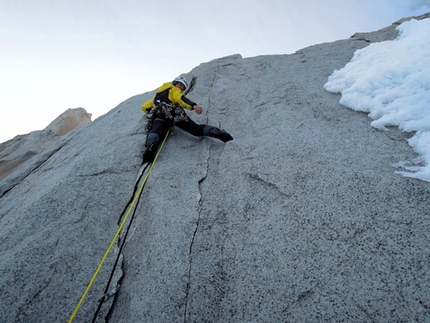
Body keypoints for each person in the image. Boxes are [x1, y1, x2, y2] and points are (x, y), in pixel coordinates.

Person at [141, 76, 233, 163]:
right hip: (174, 113)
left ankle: (151, 146)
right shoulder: (173, 89)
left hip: (159, 115)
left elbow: (144, 107)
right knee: (196, 129)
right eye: (180, 85)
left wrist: (153, 112)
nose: (181, 88)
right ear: (175, 83)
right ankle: (214, 131)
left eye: (183, 88)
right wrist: (193, 105)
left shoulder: (158, 94)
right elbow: (180, 98)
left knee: (156, 131)